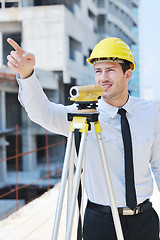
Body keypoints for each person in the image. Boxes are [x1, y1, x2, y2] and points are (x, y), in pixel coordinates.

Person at [7, 37, 160, 240]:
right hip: (100, 222)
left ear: (128, 73)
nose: (103, 77)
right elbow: (42, 113)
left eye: (110, 70)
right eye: (98, 71)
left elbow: (158, 165)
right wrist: (27, 75)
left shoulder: (150, 113)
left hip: (144, 220)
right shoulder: (82, 115)